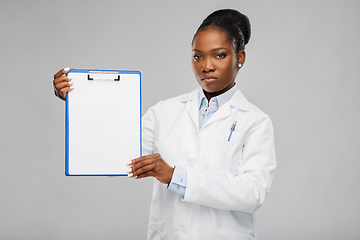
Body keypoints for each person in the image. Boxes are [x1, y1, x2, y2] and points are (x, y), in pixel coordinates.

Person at [53, 9, 276, 240]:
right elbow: (116, 156)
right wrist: (79, 102)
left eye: (218, 55)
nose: (206, 66)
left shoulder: (256, 122)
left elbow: (252, 193)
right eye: (198, 56)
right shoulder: (164, 111)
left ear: (240, 58)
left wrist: (174, 176)